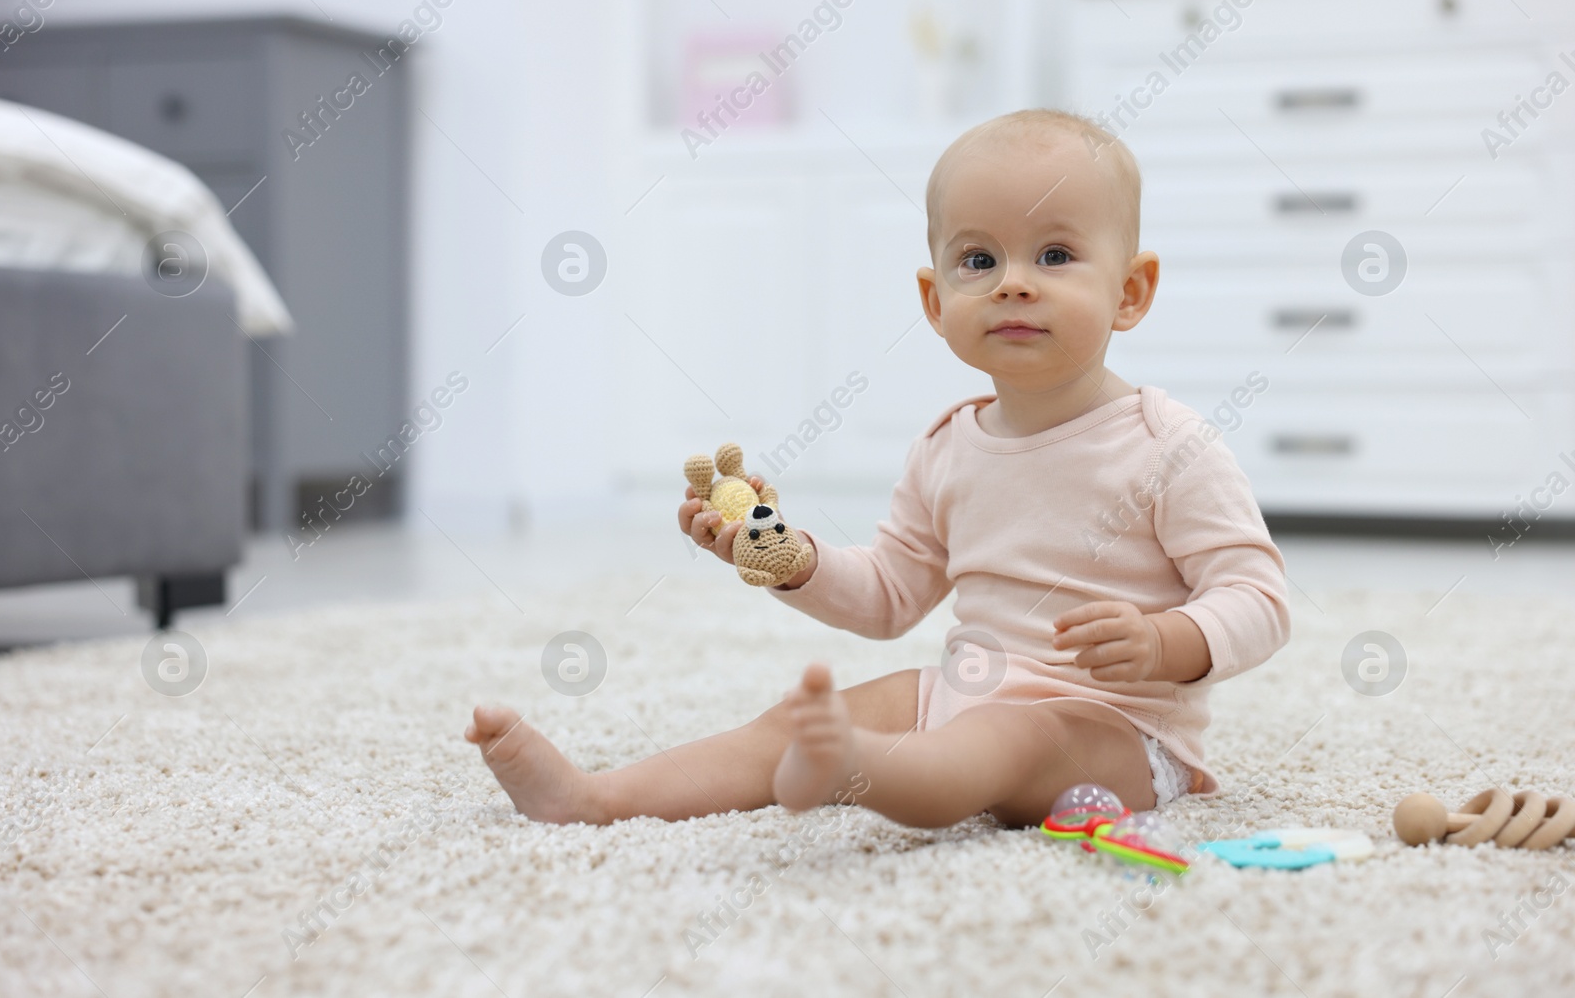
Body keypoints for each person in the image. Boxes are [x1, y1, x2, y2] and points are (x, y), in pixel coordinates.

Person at [464, 108, 1290, 828]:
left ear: (1131, 292)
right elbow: (891, 594)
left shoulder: (1169, 442)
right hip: (968, 687)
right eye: (978, 261)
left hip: (1116, 732)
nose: (1012, 285)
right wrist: (791, 559)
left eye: (1055, 255)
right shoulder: (946, 446)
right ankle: (596, 797)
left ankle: (861, 772)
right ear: (936, 303)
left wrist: (1164, 639)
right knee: (800, 717)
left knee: (1009, 738)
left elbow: (1257, 596)